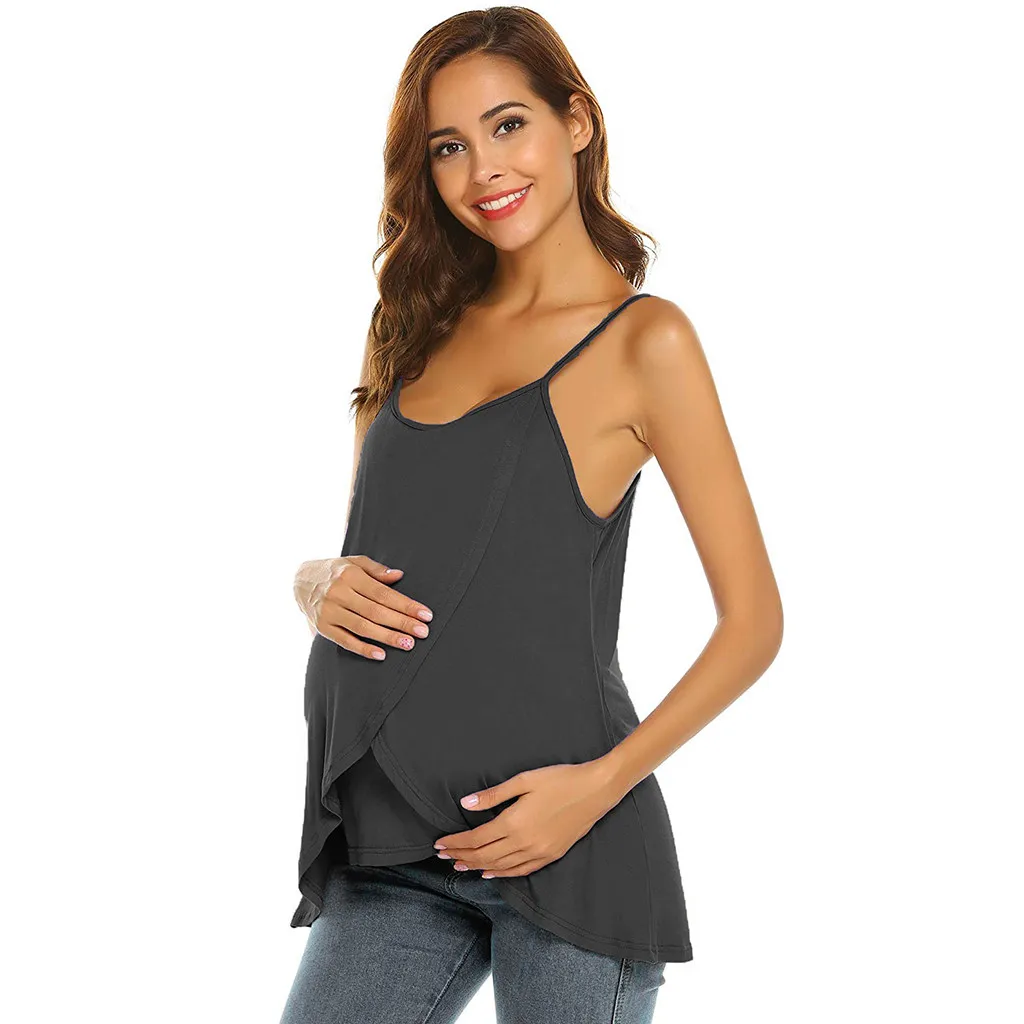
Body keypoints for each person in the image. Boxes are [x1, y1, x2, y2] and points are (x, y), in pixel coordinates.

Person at [280, 8, 783, 1023]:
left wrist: (595, 788)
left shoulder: (646, 343)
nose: (483, 171)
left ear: (577, 123)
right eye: (448, 146)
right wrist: (312, 582)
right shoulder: (409, 325)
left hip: (568, 851)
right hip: (390, 842)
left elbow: (754, 624)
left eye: (508, 125)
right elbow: (373, 548)